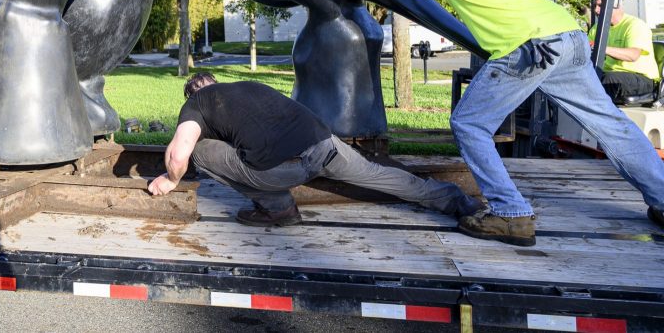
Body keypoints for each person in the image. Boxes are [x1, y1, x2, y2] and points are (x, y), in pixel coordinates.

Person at [347, 0, 664, 246]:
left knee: (470, 123)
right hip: (569, 36)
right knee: (611, 125)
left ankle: (510, 214)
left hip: (530, 48)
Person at [147, 72, 480, 227]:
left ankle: (278, 208)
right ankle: (453, 200)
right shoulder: (248, 86)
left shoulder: (197, 104)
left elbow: (179, 153)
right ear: (218, 81)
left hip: (283, 166)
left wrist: (171, 179)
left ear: (194, 93)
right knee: (378, 175)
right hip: (324, 144)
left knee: (200, 151)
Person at [589, 0, 659, 103]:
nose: (596, 10)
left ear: (616, 5)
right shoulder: (596, 28)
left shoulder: (634, 25)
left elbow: (633, 55)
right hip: (611, 74)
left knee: (607, 79)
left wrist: (601, 48)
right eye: (594, 6)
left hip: (642, 78)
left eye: (600, 6)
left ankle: (603, 117)